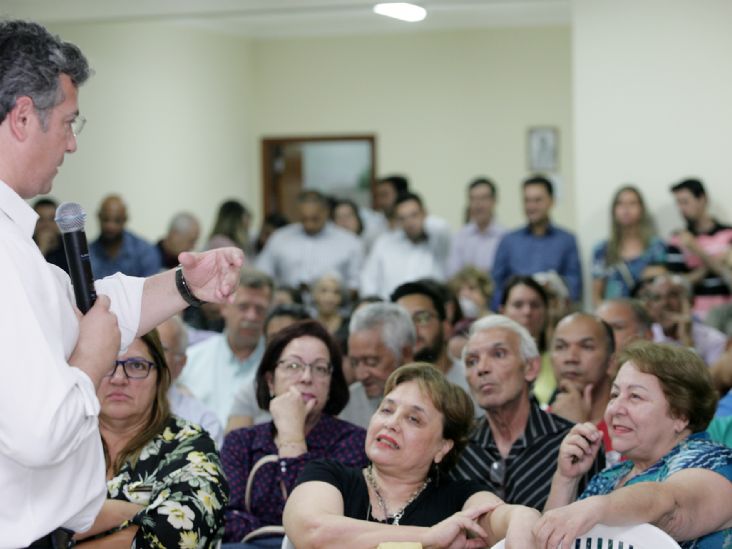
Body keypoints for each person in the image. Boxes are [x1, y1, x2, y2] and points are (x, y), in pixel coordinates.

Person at [0, 20, 243, 547]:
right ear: (22, 117)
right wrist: (91, 359)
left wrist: (185, 284)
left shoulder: (15, 243)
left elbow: (96, 309)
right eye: (68, 123)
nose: (71, 144)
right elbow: (39, 435)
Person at [283, 363, 541, 548]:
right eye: (386, 410)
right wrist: (428, 537)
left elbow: (511, 519)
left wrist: (523, 516)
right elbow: (313, 532)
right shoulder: (329, 476)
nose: (391, 423)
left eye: (413, 419)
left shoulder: (460, 499)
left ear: (443, 447)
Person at [536, 342, 732, 549]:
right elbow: (550, 540)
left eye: (635, 396)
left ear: (680, 415)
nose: (616, 408)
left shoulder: (713, 461)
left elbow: (668, 504)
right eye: (614, 395)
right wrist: (566, 480)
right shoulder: (609, 478)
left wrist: (598, 507)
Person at [220, 320, 368, 546]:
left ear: (330, 382)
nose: (307, 378)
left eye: (320, 368)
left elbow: (320, 523)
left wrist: (292, 440)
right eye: (293, 366)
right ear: (270, 380)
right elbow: (226, 518)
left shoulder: (353, 442)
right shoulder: (241, 442)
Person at [75, 331, 228, 546]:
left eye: (136, 366)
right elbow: (24, 523)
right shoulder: (61, 438)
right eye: (107, 363)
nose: (119, 378)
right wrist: (131, 515)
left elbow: (179, 537)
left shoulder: (189, 444)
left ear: (160, 377)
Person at [451, 315, 604, 509]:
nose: (482, 368)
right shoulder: (457, 448)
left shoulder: (574, 444)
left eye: (498, 354)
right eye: (472, 361)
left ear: (531, 367)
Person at [180, 268, 273, 424]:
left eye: (260, 309)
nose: (251, 316)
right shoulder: (191, 360)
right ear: (223, 307)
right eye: (243, 307)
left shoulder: (277, 367)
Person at [491, 175, 582, 309]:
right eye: (527, 200)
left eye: (537, 200)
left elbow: (574, 287)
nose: (531, 206)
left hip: (553, 313)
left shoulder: (567, 240)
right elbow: (497, 285)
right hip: (516, 314)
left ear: (552, 201)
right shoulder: (509, 241)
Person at [256, 190, 364, 297]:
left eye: (314, 219)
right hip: (287, 307)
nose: (309, 225)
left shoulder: (349, 242)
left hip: (335, 309)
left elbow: (356, 284)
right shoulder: (280, 237)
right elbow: (262, 274)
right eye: (304, 219)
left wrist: (331, 295)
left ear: (326, 212)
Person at [226, 303, 313, 432]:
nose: (280, 345)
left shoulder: (318, 387)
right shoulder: (251, 392)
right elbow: (232, 446)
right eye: (273, 338)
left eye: (289, 338)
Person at [391, 281, 474, 402]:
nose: (412, 328)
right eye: (403, 321)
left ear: (446, 328)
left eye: (422, 318)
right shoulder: (384, 386)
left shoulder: (473, 382)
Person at [339, 302, 416, 429]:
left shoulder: (437, 401)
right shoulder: (350, 401)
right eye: (354, 363)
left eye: (371, 362)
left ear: (406, 354)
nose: (360, 375)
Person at [361, 192, 450, 300]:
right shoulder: (385, 243)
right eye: (402, 218)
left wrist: (425, 221)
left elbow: (442, 226)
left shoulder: (438, 242)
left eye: (414, 215)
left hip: (427, 309)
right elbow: (369, 279)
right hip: (389, 309)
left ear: (425, 213)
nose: (409, 222)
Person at [667, 178, 732, 318]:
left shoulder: (728, 234)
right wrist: (716, 261)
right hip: (696, 315)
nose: (681, 208)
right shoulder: (677, 239)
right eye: (678, 203)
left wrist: (697, 251)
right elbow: (678, 285)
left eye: (685, 202)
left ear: (702, 199)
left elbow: (729, 277)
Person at [591, 185, 666, 305]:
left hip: (648, 317)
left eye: (632, 203)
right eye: (620, 204)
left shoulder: (656, 247)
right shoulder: (602, 249)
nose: (626, 209)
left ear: (641, 209)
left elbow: (664, 285)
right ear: (613, 210)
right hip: (613, 317)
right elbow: (596, 297)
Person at [157, 315, 224, 447]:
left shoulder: (202, 422)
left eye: (160, 349)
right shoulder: (113, 403)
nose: (147, 356)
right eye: (146, 346)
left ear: (180, 363)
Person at [638, 273, 726, 365]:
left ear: (690, 302)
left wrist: (687, 341)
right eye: (657, 298)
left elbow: (704, 379)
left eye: (673, 295)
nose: (664, 303)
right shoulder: (645, 338)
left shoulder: (714, 340)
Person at [499, 276, 555, 406]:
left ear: (546, 312)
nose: (527, 311)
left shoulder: (559, 361)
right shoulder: (490, 364)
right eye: (518, 305)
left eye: (535, 305)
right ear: (502, 311)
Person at [89, 194, 162, 278]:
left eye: (117, 220)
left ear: (125, 219)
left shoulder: (145, 253)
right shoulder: (87, 255)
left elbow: (151, 288)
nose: (110, 226)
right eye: (106, 219)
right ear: (99, 217)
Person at [447, 177, 507, 277]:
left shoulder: (505, 237)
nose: (478, 204)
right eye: (473, 199)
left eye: (483, 198)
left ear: (494, 201)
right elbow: (453, 274)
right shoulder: (459, 237)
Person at [32, 196, 69, 271]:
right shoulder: (25, 244)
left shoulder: (69, 246)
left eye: (52, 219)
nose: (46, 224)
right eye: (41, 219)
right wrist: (42, 249)